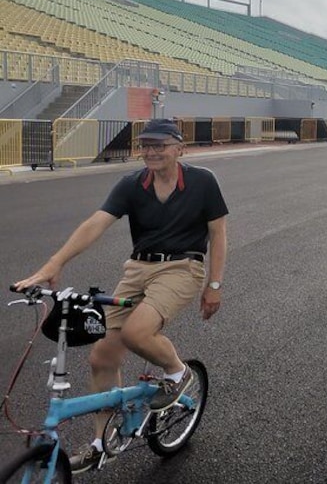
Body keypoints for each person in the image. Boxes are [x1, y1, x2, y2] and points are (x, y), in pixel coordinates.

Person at [14, 118, 229, 473]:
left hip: (182, 268)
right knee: (102, 357)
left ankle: (177, 373)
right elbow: (95, 223)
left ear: (179, 147)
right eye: (146, 144)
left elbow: (218, 234)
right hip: (137, 269)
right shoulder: (132, 184)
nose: (150, 151)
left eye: (159, 144)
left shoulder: (203, 181)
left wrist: (214, 284)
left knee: (137, 333)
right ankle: (102, 442)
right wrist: (53, 264)